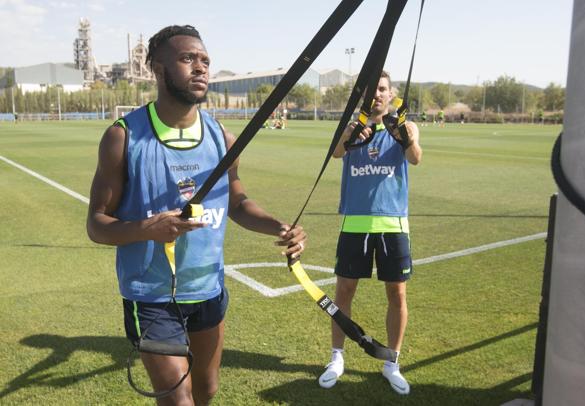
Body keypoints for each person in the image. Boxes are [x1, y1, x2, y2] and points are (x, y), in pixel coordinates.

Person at [86, 25, 306, 405]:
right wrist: (146, 228)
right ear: (156, 67)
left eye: (205, 60)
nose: (200, 68)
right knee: (178, 399)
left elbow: (237, 203)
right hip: (151, 296)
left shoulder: (222, 138)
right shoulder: (123, 138)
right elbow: (96, 224)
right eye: (188, 58)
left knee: (207, 390)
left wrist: (279, 226)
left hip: (208, 289)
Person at [319, 71, 422, 395]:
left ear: (391, 94)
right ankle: (337, 357)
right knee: (344, 293)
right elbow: (336, 153)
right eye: (370, 91)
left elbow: (415, 158)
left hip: (393, 224)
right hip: (355, 224)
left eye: (382, 89)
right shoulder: (352, 127)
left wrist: (406, 137)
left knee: (397, 295)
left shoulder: (404, 126)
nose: (376, 95)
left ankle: (392, 361)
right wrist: (350, 136)